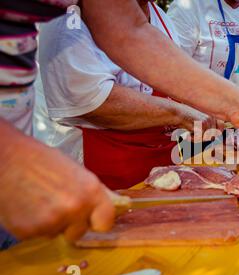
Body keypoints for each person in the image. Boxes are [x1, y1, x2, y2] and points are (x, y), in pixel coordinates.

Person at [0, 0, 239, 244]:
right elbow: (89, 97)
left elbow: (128, 31)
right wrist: (10, 157)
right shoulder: (67, 23)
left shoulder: (146, 15)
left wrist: (238, 104)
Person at [38, 0, 216, 190]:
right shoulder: (69, 16)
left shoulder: (161, 19)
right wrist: (181, 114)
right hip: (91, 168)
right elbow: (92, 101)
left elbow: (175, 80)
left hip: (156, 165)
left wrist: (209, 106)